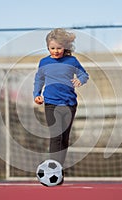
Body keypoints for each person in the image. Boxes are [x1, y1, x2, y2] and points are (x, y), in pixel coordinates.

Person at [33, 28, 89, 167]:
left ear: (65, 47)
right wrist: (37, 95)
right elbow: (39, 79)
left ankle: (59, 169)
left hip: (69, 104)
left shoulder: (72, 61)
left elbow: (84, 74)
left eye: (59, 48)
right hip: (51, 103)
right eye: (52, 48)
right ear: (48, 47)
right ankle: (53, 167)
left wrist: (80, 80)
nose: (56, 51)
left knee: (64, 138)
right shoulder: (44, 62)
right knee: (56, 135)